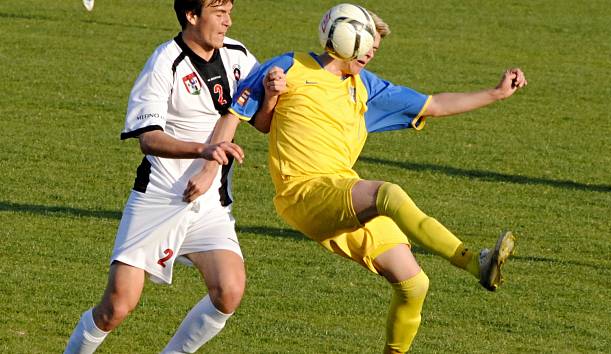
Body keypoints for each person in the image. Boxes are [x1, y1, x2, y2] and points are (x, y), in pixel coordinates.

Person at [201, 4, 527, 353]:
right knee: (388, 194)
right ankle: (473, 261)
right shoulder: (290, 65)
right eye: (367, 45)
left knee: (414, 283)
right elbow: (248, 116)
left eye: (375, 48)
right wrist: (211, 168)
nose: (370, 53)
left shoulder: (365, 87)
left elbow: (433, 104)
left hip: (343, 190)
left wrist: (496, 93)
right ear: (344, 38)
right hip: (304, 193)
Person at [63, 0, 280, 352]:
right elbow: (148, 139)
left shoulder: (239, 56)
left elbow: (260, 122)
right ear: (192, 17)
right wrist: (204, 149)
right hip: (160, 198)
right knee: (116, 307)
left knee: (230, 289)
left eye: (229, 12)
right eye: (219, 13)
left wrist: (269, 97)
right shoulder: (165, 62)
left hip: (209, 204)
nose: (228, 21)